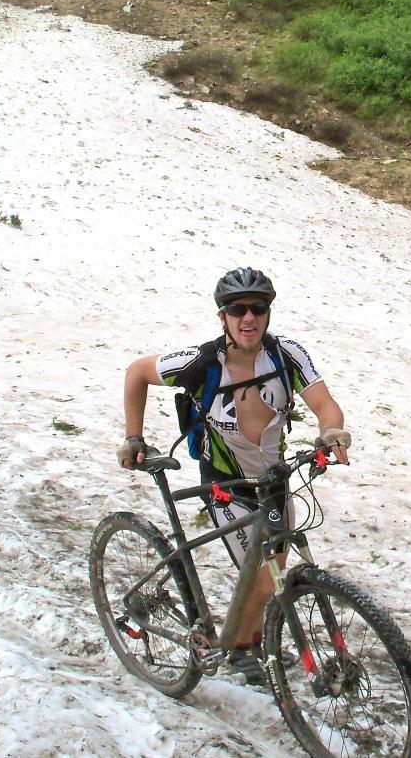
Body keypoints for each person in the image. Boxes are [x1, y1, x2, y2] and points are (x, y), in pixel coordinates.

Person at [117, 267, 352, 685]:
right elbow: (137, 372)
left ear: (268, 312)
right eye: (237, 309)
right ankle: (243, 649)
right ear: (221, 316)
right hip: (226, 487)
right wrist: (134, 436)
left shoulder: (286, 356)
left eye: (258, 308)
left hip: (275, 483)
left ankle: (244, 641)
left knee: (269, 580)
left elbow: (324, 404)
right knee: (264, 580)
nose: (249, 318)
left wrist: (331, 432)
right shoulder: (202, 363)